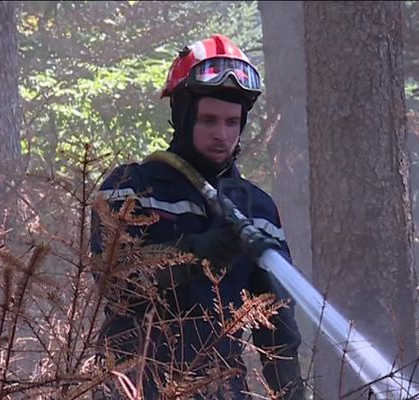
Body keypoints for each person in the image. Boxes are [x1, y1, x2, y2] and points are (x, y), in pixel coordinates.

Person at [91, 34, 304, 399]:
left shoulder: (257, 210)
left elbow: (278, 335)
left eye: (231, 122)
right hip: (131, 386)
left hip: (220, 390)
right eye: (208, 120)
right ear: (182, 115)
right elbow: (116, 284)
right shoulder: (131, 188)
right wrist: (192, 254)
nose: (221, 135)